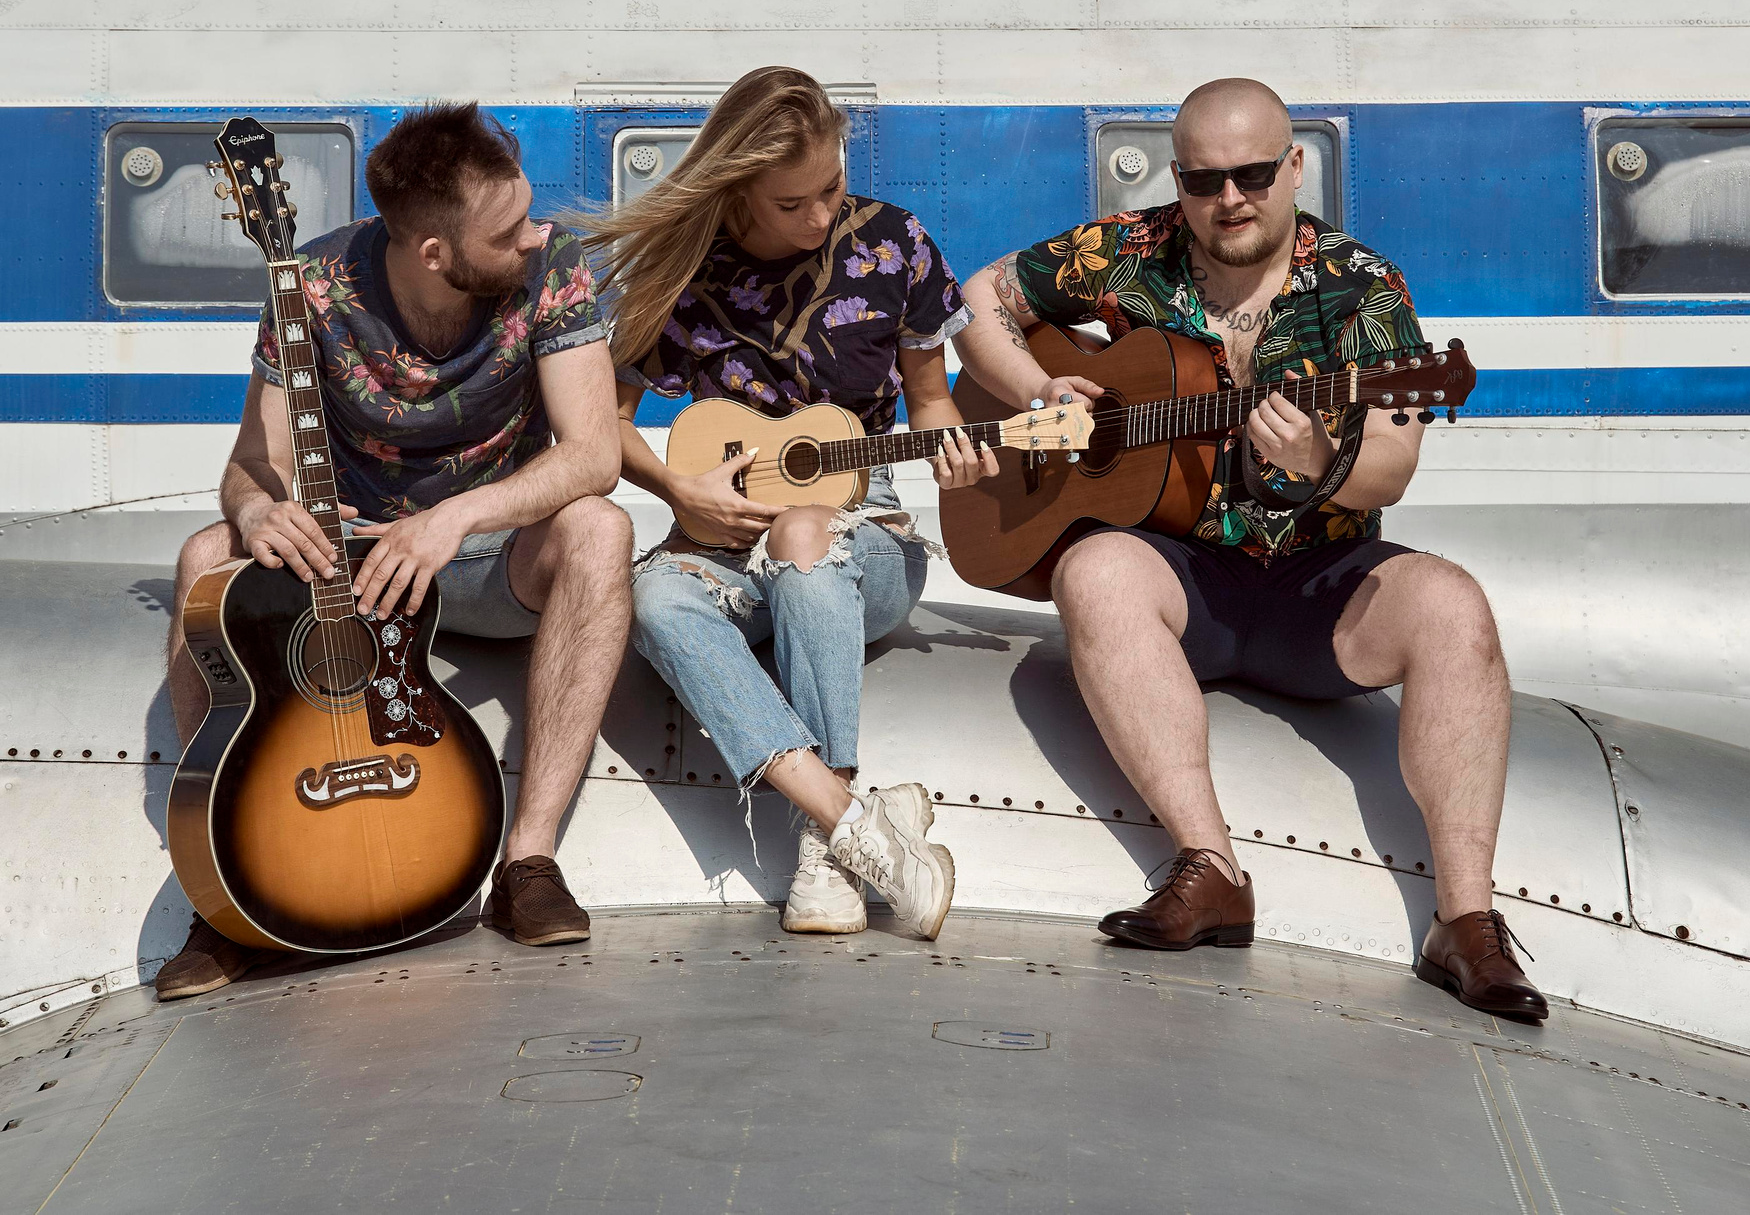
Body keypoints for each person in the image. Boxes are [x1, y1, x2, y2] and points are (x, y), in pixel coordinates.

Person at [951, 77, 1548, 1023]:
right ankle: (1210, 868)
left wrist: (1320, 462)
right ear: (1178, 180)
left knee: (1455, 606)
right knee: (1092, 567)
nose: (1230, 198)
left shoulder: (1363, 287)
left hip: (1320, 584)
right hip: (1185, 572)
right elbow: (976, 296)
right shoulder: (1128, 249)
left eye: (1255, 174)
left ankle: (1466, 923)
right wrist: (1037, 390)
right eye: (1204, 180)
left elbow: (1391, 464)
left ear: (1295, 168)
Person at [154, 103, 637, 998]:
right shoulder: (313, 286)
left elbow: (595, 456)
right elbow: (248, 467)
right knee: (200, 559)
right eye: (511, 228)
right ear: (435, 254)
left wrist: (457, 516)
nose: (537, 236)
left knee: (601, 529)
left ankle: (526, 865)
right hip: (350, 572)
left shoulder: (553, 269)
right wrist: (258, 515)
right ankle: (231, 891)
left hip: (486, 553)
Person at [585, 67, 980, 939]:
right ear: (735, 193)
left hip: (861, 532)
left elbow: (932, 401)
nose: (819, 217)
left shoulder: (894, 244)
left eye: (830, 188)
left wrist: (956, 452)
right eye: (790, 203)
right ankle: (854, 826)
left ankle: (819, 840)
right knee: (650, 594)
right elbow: (600, 427)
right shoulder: (686, 272)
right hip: (724, 535)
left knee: (806, 532)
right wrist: (677, 487)